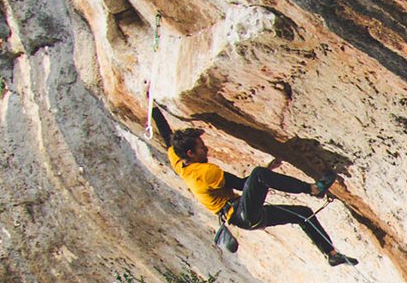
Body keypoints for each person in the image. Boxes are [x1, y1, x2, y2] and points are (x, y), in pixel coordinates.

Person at [151, 106, 358, 267]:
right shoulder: (204, 173)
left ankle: (331, 254)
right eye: (201, 147)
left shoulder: (180, 163)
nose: (206, 149)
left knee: (303, 213)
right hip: (243, 213)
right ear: (191, 154)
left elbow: (167, 136)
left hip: (242, 218)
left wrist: (152, 107)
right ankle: (313, 189)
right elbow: (244, 184)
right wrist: (268, 169)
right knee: (258, 174)